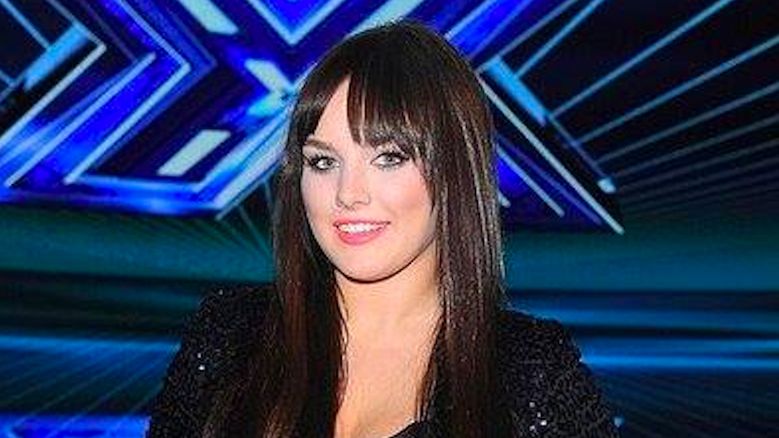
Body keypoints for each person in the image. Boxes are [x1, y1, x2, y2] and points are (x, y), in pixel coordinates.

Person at [147, 21, 617, 438]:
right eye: (324, 161)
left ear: (454, 171)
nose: (348, 193)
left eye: (388, 157)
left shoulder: (528, 371)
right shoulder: (230, 334)